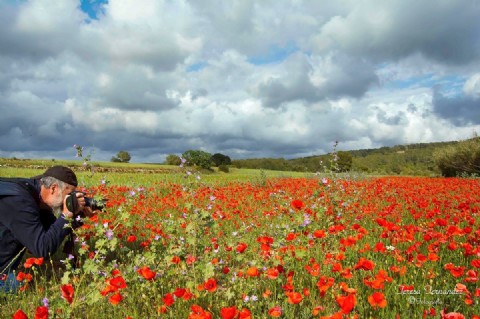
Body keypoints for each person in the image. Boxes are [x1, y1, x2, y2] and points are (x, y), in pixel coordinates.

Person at [0, 165, 87, 293]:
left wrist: (78, 216)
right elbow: (42, 250)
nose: (69, 201)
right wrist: (67, 214)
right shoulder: (21, 201)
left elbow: (51, 230)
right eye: (69, 195)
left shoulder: (34, 193)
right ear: (53, 188)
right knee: (17, 286)